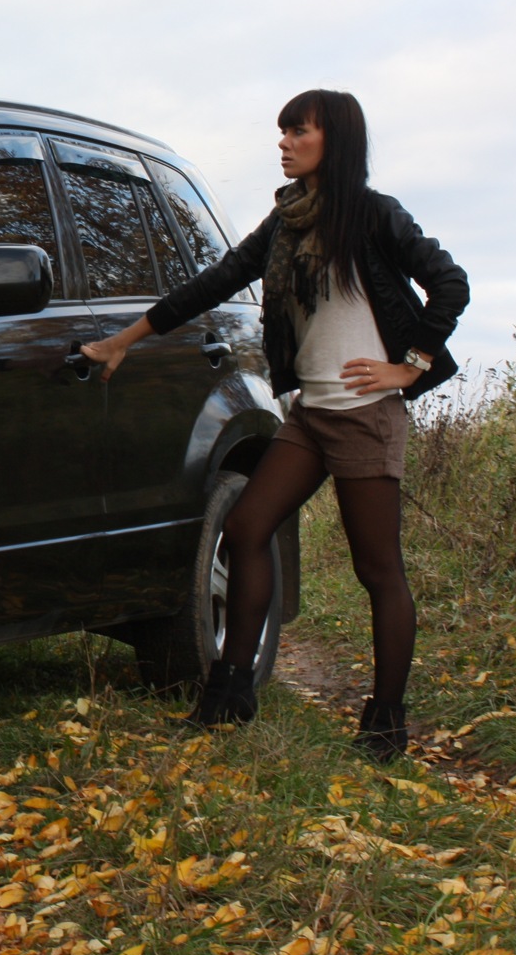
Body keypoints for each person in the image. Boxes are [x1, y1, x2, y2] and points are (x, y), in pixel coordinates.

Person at [80, 89, 468, 762]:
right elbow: (217, 280)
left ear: (334, 140)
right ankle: (231, 691)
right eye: (282, 131)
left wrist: (409, 367)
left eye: (298, 130)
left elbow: (451, 284)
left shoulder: (375, 218)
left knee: (378, 570)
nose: (284, 142)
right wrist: (125, 340)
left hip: (365, 416)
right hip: (313, 414)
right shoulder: (289, 223)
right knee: (246, 527)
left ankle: (386, 722)